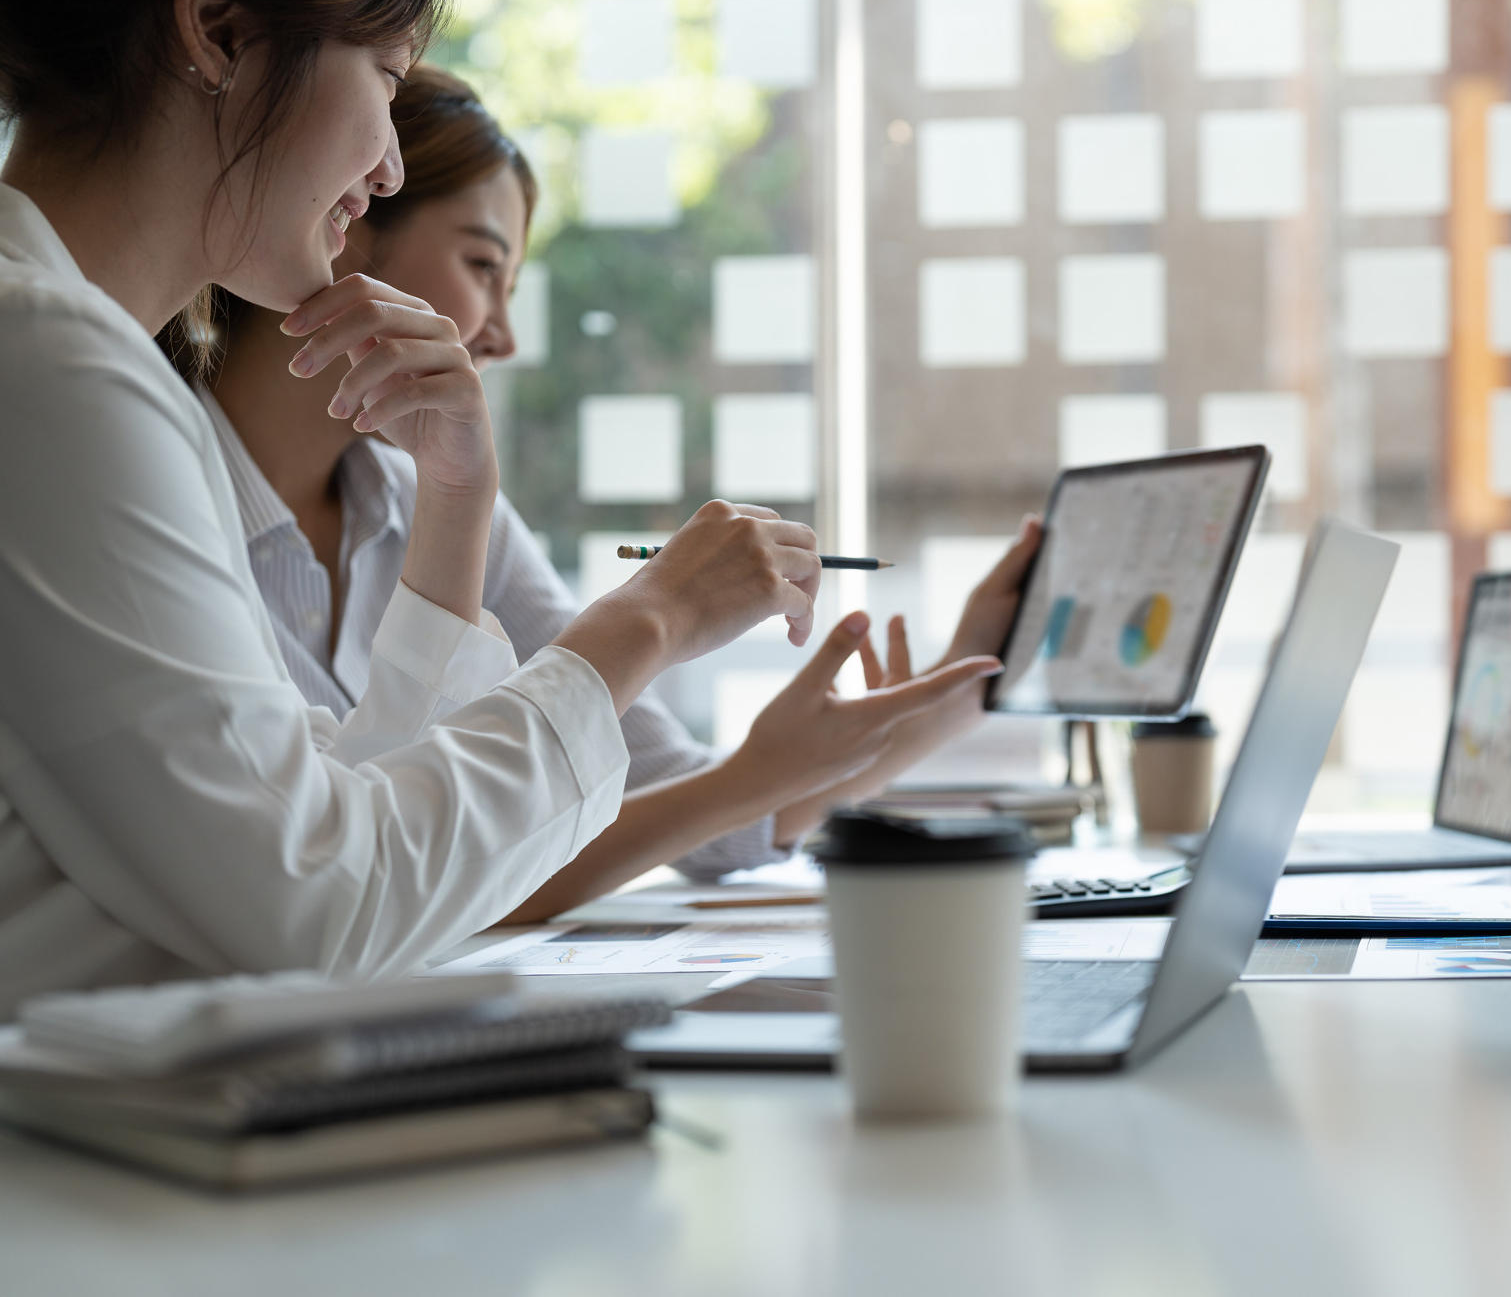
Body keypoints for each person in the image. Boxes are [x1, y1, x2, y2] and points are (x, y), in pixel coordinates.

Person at [0, 0, 1002, 1016]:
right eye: (386, 78)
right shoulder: (57, 369)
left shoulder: (91, 378)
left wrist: (456, 501)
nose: (386, 167)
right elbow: (320, 906)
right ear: (213, 32)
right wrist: (647, 622)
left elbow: (342, 825)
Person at [187, 65, 1043, 919]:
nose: (502, 334)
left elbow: (694, 810)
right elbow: (405, 877)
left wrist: (952, 690)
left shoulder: (430, 500)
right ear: (348, 215)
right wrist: (663, 627)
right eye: (483, 264)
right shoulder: (165, 490)